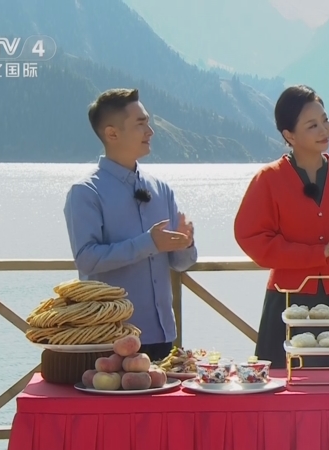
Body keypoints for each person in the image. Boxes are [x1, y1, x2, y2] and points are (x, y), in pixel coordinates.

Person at [234, 85, 329, 369]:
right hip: (287, 298)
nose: (324, 130)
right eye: (312, 125)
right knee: (287, 384)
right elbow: (251, 238)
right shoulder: (268, 179)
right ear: (289, 135)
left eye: (325, 120)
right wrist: (316, 253)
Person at [63, 88, 197, 363]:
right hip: (109, 338)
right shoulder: (85, 192)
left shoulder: (162, 189)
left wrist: (186, 244)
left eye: (148, 122)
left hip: (163, 335)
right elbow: (86, 259)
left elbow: (181, 263)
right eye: (141, 123)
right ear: (112, 134)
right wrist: (149, 243)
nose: (150, 131)